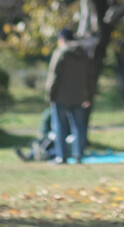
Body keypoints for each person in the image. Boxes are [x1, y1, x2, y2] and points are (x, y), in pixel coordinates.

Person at [45, 28, 94, 164]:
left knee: (59, 126)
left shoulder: (61, 52)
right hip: (79, 95)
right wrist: (88, 95)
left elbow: (53, 74)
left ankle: (62, 156)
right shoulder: (83, 53)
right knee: (78, 126)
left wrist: (50, 94)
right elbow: (89, 77)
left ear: (61, 39)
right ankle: (78, 155)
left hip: (61, 96)